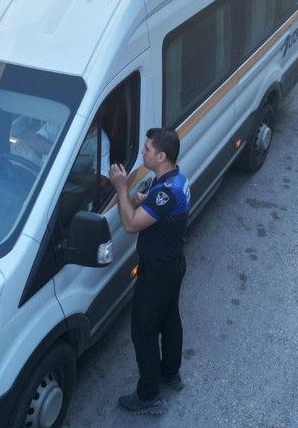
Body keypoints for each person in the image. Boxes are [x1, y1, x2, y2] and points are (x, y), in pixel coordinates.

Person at [108, 128, 190, 415]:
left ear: (161, 156)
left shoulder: (165, 193)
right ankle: (171, 373)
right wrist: (146, 200)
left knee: (143, 331)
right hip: (172, 264)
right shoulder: (174, 178)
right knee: (169, 318)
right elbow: (162, 207)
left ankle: (148, 397)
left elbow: (130, 225)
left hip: (158, 271)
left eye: (146, 149)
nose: (142, 152)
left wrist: (120, 187)